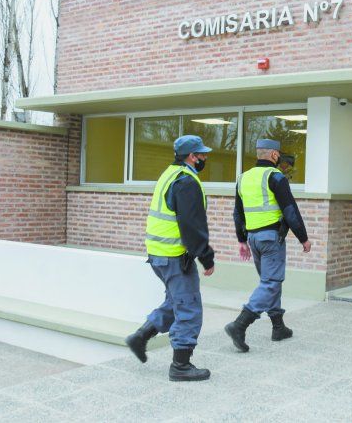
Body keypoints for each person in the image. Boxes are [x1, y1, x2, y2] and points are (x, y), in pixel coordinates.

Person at [125, 135, 215, 381]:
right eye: (202, 154)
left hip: (158, 254)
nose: (205, 158)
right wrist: (206, 257)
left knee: (176, 301)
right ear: (191, 157)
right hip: (174, 256)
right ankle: (180, 366)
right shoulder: (186, 181)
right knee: (189, 307)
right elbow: (191, 226)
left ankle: (140, 337)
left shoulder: (169, 174)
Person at [225, 138, 311, 352]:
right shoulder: (276, 176)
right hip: (271, 238)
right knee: (271, 282)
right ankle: (240, 325)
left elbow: (237, 212)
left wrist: (241, 240)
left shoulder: (243, 178)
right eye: (278, 154)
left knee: (269, 282)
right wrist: (303, 237)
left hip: (253, 239)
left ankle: (278, 327)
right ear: (274, 154)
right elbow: (290, 211)